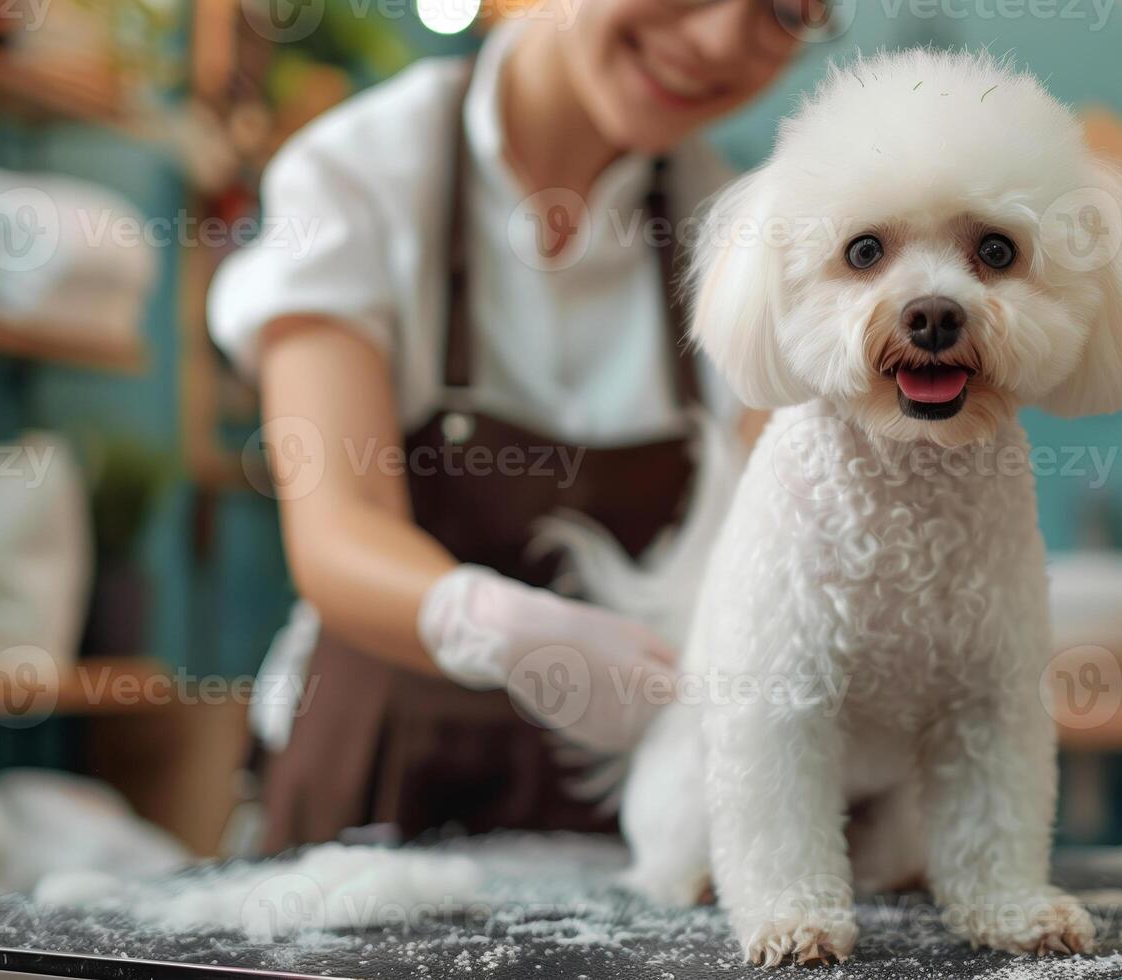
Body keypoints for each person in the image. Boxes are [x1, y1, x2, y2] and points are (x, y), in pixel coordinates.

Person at [208, 0, 810, 850]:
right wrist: (502, 630)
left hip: (622, 802)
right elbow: (337, 531)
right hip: (380, 779)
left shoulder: (745, 238)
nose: (721, 41)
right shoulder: (355, 177)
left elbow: (762, 538)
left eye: (787, 10)